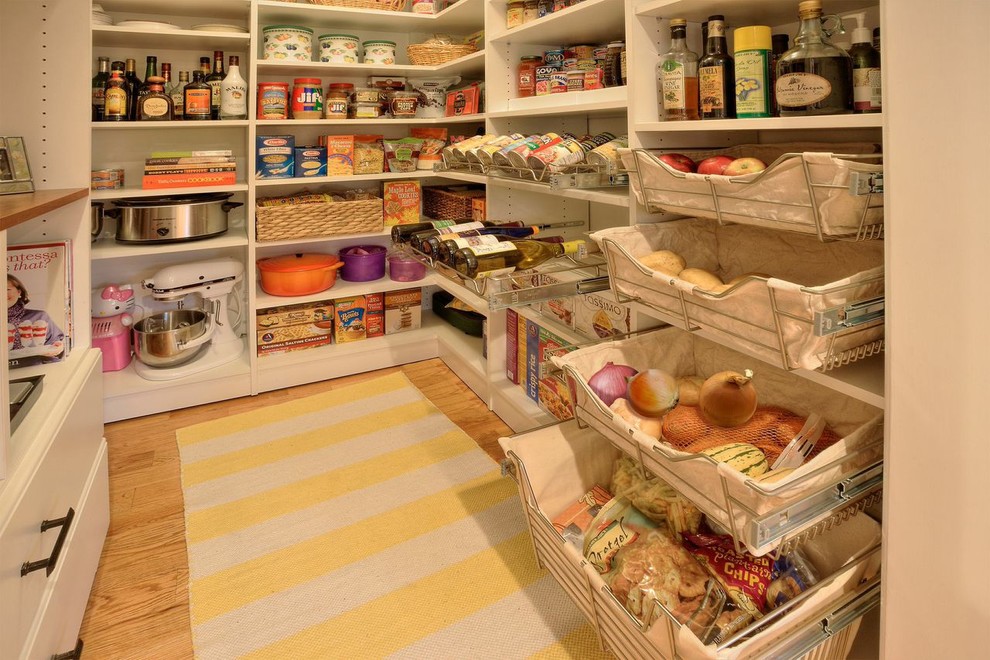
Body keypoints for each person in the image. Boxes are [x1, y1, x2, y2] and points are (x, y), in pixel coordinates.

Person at [7, 273, 65, 360]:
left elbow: (57, 349)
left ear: (19, 292)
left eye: (7, 289)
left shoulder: (39, 317)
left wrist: (58, 349)